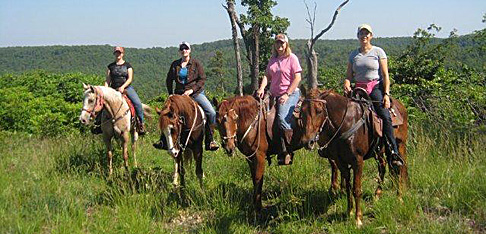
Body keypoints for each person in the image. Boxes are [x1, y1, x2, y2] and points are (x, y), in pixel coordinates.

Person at [344, 24, 403, 167]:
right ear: (358, 36)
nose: (364, 36)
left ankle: (392, 150)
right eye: (361, 33)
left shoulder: (378, 52)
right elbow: (348, 76)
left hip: (374, 87)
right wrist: (346, 84)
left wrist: (386, 94)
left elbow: (385, 75)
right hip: (358, 88)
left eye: (367, 33)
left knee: (384, 115)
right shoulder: (354, 55)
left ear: (371, 36)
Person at [153, 41, 219, 151]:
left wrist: (191, 90)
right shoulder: (175, 64)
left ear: (190, 50)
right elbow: (169, 80)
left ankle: (210, 140)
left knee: (211, 112)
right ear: (179, 51)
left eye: (186, 48)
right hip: (179, 95)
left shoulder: (196, 64)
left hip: (196, 93)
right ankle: (163, 141)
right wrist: (171, 94)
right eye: (182, 49)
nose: (184, 50)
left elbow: (202, 79)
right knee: (165, 113)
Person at [256, 34, 302, 165]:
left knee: (282, 118)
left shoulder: (292, 58)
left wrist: (287, 94)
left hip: (290, 93)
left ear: (286, 44)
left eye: (282, 43)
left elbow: (297, 78)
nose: (279, 45)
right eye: (277, 43)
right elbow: (267, 75)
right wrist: (262, 88)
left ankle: (288, 149)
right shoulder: (273, 59)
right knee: (260, 116)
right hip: (273, 94)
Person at [92, 46, 145, 135]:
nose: (118, 54)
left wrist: (123, 87)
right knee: (102, 103)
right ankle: (98, 124)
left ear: (123, 54)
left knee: (137, 103)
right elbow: (108, 80)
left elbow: (130, 79)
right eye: (116, 52)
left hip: (126, 88)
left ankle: (141, 124)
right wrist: (105, 90)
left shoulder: (128, 65)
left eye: (119, 52)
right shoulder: (110, 66)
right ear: (114, 54)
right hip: (113, 89)